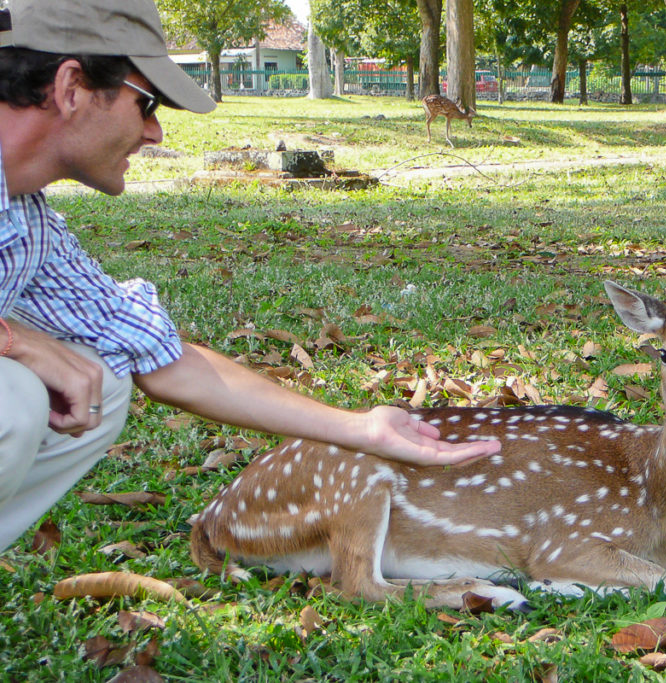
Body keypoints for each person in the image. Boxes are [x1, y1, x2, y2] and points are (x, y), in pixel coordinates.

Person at [0, 0, 500, 551]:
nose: (155, 132)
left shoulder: (26, 219)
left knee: (102, 376)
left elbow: (160, 357)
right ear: (72, 87)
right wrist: (14, 341)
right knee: (19, 395)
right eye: (146, 104)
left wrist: (361, 428)